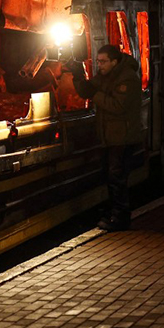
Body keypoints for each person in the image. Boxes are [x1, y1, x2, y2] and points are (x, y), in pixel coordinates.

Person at [69, 44, 143, 231]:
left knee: (117, 178)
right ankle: (113, 214)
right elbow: (87, 90)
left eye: (103, 62)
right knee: (111, 177)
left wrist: (95, 94)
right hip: (110, 137)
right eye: (98, 61)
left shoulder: (128, 78)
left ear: (114, 61)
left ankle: (121, 219)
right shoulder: (105, 76)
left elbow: (118, 106)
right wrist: (77, 75)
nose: (99, 65)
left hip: (123, 138)